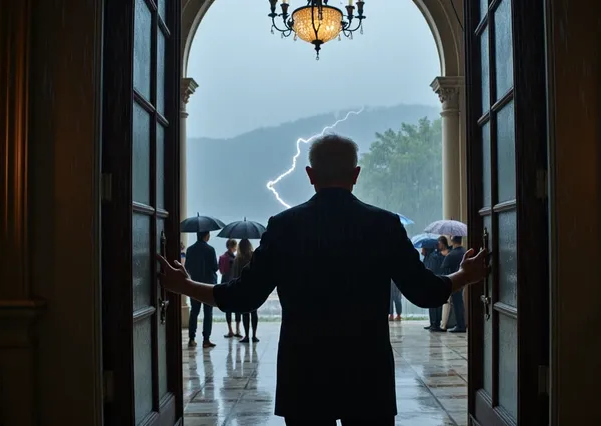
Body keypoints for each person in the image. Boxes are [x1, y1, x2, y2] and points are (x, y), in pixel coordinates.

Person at [157, 134, 488, 425]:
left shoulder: (284, 225)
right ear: (356, 175)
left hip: (304, 374)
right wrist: (465, 275)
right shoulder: (384, 225)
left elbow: (244, 296)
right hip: (367, 373)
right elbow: (424, 291)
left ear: (310, 175)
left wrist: (183, 285)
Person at [185, 231, 218, 348]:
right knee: (208, 313)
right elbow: (215, 267)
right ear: (206, 236)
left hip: (194, 284)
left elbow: (186, 267)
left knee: (194, 312)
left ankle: (191, 338)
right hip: (208, 285)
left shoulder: (190, 250)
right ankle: (206, 340)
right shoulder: (210, 250)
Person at [231, 238, 259, 343]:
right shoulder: (253, 256)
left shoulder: (237, 259)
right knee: (254, 312)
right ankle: (254, 336)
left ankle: (246, 335)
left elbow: (234, 276)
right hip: (254, 288)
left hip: (242, 288)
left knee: (245, 313)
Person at [442, 236, 467, 333]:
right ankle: (461, 324)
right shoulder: (464, 252)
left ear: (452, 241)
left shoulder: (452, 254)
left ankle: (460, 326)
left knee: (457, 303)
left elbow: (444, 266)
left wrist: (446, 255)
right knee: (460, 303)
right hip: (463, 280)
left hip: (453, 280)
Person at [219, 239, 241, 338]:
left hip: (224, 283)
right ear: (233, 246)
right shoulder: (236, 259)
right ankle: (237, 329)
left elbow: (221, 271)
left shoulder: (222, 257)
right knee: (237, 307)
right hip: (235, 284)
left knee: (228, 308)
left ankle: (230, 330)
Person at [421, 246, 445, 331]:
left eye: (422, 248)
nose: (421, 251)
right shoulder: (428, 257)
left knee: (435, 304)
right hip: (430, 283)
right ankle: (432, 323)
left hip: (433, 283)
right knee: (431, 304)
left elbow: (431, 270)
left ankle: (435, 324)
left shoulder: (432, 257)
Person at [437, 236, 453, 330]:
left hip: (449, 277)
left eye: (440, 243)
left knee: (448, 302)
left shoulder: (450, 253)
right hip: (441, 277)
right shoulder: (438, 254)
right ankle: (441, 323)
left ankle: (445, 324)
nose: (439, 245)